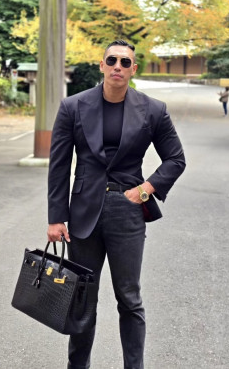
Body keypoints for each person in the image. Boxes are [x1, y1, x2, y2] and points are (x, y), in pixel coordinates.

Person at [47, 39, 186, 369]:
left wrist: (145, 190)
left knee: (129, 298)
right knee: (82, 297)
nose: (117, 67)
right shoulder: (73, 107)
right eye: (112, 60)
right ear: (102, 65)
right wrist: (56, 218)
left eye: (125, 62)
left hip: (127, 212)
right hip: (84, 213)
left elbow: (176, 159)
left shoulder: (153, 110)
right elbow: (59, 165)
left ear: (133, 69)